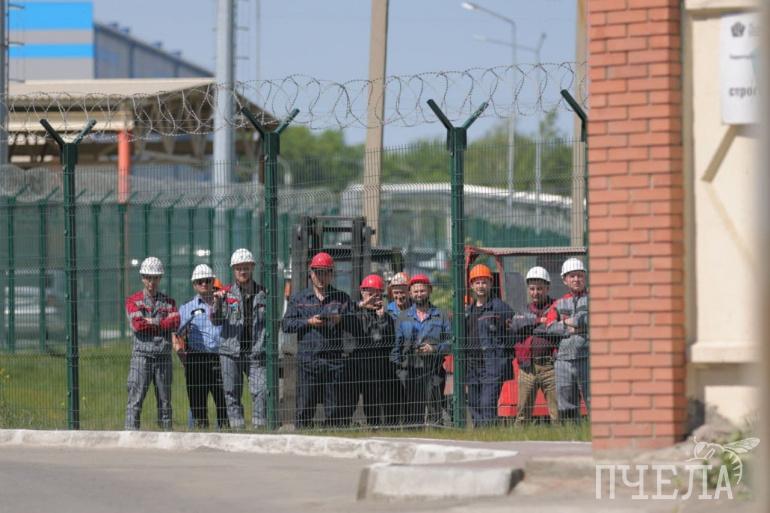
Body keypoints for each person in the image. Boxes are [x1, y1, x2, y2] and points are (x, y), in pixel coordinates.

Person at [282, 252, 354, 428]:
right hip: (308, 360)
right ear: (311, 273)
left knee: (334, 408)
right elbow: (286, 324)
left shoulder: (342, 298)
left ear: (332, 274)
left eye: (326, 272)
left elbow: (355, 323)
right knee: (304, 407)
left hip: (333, 361)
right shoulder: (299, 299)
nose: (322, 277)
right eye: (318, 272)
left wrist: (340, 319)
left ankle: (333, 436)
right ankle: (303, 436)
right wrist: (308, 322)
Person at [211, 248, 267, 429]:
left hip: (256, 351)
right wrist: (217, 303)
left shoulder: (264, 292)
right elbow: (216, 320)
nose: (242, 271)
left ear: (252, 268)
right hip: (230, 352)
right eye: (238, 268)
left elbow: (271, 321)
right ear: (233, 270)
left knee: (261, 391)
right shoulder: (225, 293)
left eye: (246, 267)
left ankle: (259, 427)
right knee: (231, 392)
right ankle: (238, 429)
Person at [465, 264, 525, 427]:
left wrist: (502, 356)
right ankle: (480, 435)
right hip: (472, 365)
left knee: (487, 404)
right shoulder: (467, 311)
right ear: (471, 285)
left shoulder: (500, 307)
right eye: (477, 282)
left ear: (491, 284)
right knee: (474, 404)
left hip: (491, 365)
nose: (481, 286)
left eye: (484, 282)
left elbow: (513, 334)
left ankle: (490, 434)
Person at [124, 256, 179, 430]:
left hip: (163, 357)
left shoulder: (169, 302)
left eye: (155, 278)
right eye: (148, 277)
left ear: (160, 278)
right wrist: (162, 323)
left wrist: (151, 322)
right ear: (142, 278)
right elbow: (137, 325)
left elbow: (175, 322)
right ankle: (131, 435)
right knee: (135, 399)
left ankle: (166, 436)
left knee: (165, 402)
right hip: (141, 357)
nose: (151, 282)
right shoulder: (133, 301)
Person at [390, 274, 451, 426]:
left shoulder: (441, 315)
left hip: (434, 370)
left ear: (430, 291)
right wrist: (399, 370)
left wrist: (434, 349)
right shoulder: (403, 317)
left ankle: (436, 436)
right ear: (410, 293)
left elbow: (451, 342)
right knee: (413, 414)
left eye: (422, 291)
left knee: (435, 413)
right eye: (415, 291)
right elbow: (396, 347)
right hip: (410, 372)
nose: (419, 294)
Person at [175, 264, 228, 429]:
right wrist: (182, 355)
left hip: (220, 358)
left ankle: (224, 433)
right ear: (194, 285)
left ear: (213, 281)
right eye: (199, 281)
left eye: (207, 280)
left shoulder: (224, 303)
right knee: (197, 405)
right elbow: (176, 333)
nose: (204, 284)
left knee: (224, 403)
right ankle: (198, 433)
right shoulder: (187, 307)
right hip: (196, 358)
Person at [350, 274, 401, 426]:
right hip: (356, 366)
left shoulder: (386, 317)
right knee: (350, 400)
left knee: (375, 400)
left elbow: (387, 339)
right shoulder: (356, 313)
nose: (373, 298)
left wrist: (382, 319)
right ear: (362, 292)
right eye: (370, 294)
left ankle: (378, 427)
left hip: (378, 367)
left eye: (377, 295)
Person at [514, 266, 558, 424]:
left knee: (557, 413)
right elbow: (516, 325)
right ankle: (518, 438)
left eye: (539, 288)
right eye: (532, 289)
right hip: (527, 367)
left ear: (547, 288)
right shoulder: (523, 309)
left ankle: (563, 437)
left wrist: (529, 325)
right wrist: (539, 321)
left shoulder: (556, 307)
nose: (535, 292)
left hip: (550, 367)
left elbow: (556, 329)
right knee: (522, 413)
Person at [547, 257, 589, 421]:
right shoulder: (558, 303)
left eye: (580, 275)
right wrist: (570, 325)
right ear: (565, 280)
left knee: (594, 400)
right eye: (572, 276)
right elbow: (550, 328)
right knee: (566, 403)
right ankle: (571, 432)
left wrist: (567, 322)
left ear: (585, 277)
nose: (576, 279)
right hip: (563, 360)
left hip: (588, 358)